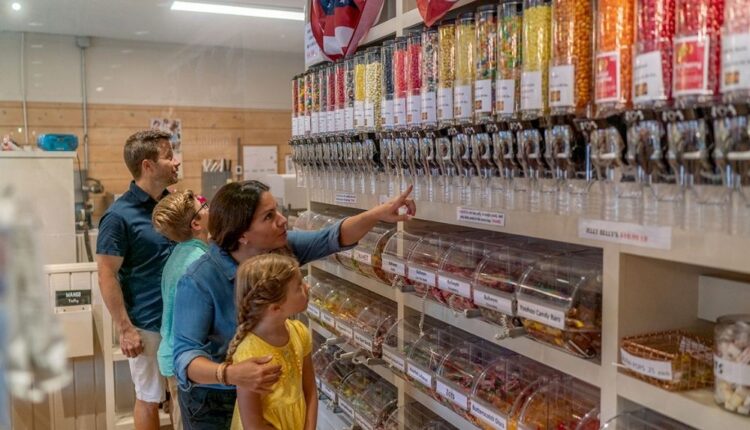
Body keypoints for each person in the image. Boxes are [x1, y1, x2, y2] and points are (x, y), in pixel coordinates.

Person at [172, 180, 416, 429]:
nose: (282, 220)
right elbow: (184, 357)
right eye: (268, 216)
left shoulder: (278, 250)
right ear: (242, 235)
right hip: (215, 403)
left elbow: (332, 237)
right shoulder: (199, 280)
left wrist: (379, 214)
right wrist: (230, 374)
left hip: (273, 401)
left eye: (277, 210)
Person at [96, 129, 180, 430]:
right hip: (147, 324)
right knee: (149, 397)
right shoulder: (119, 216)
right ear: (148, 165)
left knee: (179, 396)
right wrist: (125, 328)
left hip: (182, 320)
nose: (176, 162)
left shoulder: (174, 207)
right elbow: (106, 275)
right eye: (169, 157)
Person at [225, 254, 317, 430]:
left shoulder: (299, 332)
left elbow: (311, 390)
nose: (307, 286)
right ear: (275, 308)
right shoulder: (249, 353)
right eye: (299, 286)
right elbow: (253, 424)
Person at [151, 190, 211, 430]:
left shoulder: (181, 252)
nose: (210, 208)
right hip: (186, 363)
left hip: (174, 357)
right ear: (196, 223)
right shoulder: (197, 261)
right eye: (204, 205)